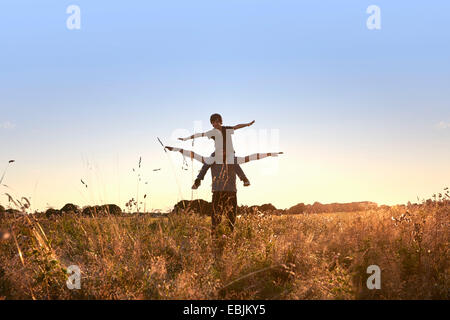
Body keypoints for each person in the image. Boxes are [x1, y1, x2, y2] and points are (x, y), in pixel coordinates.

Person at [178, 113, 255, 164]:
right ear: (212, 124)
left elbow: (237, 126)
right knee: (208, 162)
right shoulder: (212, 132)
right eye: (213, 122)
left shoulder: (226, 129)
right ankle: (198, 180)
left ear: (220, 122)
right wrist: (186, 138)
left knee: (233, 162)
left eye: (217, 122)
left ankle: (244, 179)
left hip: (229, 152)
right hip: (218, 152)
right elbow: (199, 135)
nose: (215, 124)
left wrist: (247, 124)